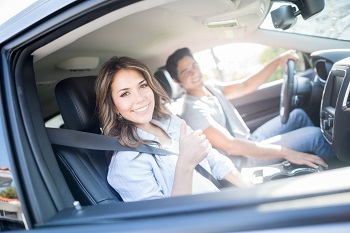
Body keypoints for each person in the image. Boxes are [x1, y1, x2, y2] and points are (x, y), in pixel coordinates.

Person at [95, 56, 249, 202]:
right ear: (114, 106)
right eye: (125, 93)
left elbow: (214, 160)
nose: (140, 98)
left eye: (142, 86)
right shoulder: (126, 162)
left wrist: (251, 191)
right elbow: (165, 221)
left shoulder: (170, 121)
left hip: (225, 203)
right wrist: (185, 165)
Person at [166, 47, 333, 170]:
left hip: (250, 140)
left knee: (298, 115)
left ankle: (320, 160)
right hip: (243, 159)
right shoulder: (192, 110)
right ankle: (339, 170)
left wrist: (278, 61)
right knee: (315, 136)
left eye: (194, 66)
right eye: (185, 72)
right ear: (177, 81)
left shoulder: (209, 87)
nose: (194, 73)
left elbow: (245, 85)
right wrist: (287, 152)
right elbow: (231, 146)